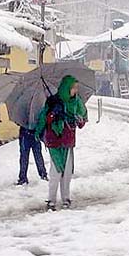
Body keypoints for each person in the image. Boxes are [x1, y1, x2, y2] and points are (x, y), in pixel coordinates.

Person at [35, 75, 88, 211]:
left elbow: (83, 119)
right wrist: (53, 115)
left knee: (67, 171)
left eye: (76, 88)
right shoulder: (53, 101)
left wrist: (79, 120)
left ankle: (66, 198)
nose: (75, 91)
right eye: (73, 88)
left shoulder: (77, 102)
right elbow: (43, 118)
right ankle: (51, 200)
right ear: (66, 88)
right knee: (56, 171)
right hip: (54, 141)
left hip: (68, 141)